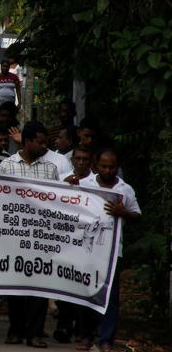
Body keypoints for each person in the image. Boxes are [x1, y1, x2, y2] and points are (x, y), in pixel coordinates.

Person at [0, 121, 58, 348]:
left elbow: (55, 201)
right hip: (14, 234)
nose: (44, 146)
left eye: (46, 142)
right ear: (27, 141)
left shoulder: (50, 169)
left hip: (41, 236)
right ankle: (16, 329)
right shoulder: (7, 165)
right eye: (40, 142)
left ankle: (35, 333)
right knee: (15, 284)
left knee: (40, 284)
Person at [80, 149, 141, 352]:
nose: (107, 170)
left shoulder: (125, 189)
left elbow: (137, 215)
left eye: (111, 166)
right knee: (86, 293)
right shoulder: (85, 184)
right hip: (86, 249)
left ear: (117, 167)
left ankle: (106, 339)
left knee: (110, 296)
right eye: (103, 166)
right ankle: (86, 336)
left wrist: (123, 212)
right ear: (96, 165)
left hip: (113, 252)